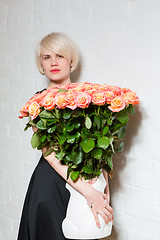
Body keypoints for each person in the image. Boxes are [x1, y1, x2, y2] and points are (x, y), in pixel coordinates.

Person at [17, 32, 113, 240]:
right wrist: (90, 194)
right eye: (46, 57)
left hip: (89, 186)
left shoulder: (91, 98)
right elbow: (50, 155)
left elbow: (102, 151)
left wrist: (103, 194)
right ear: (41, 65)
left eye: (60, 56)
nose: (53, 62)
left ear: (71, 61)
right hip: (51, 186)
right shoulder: (38, 103)